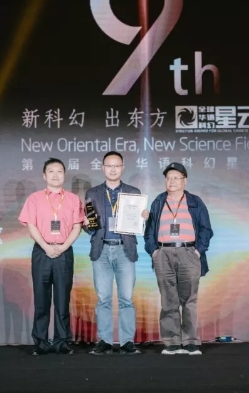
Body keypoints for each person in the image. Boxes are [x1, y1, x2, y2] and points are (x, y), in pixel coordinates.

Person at [144, 162, 213, 355]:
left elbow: (206, 229)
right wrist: (154, 252)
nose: (172, 181)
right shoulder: (158, 201)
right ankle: (172, 342)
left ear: (185, 181)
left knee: (189, 300)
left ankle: (190, 341)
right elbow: (149, 231)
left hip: (188, 252)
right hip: (163, 253)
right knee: (168, 300)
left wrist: (198, 251)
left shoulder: (195, 202)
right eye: (169, 178)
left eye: (176, 178)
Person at [83, 151, 148, 355]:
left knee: (126, 298)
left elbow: (140, 225)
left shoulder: (133, 192)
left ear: (122, 168)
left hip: (124, 249)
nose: (113, 169)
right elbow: (90, 226)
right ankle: (105, 340)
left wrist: (144, 218)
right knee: (103, 298)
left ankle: (127, 341)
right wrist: (86, 224)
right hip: (101, 249)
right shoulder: (92, 193)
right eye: (109, 166)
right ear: (103, 168)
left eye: (116, 166)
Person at [18, 158, 85, 355]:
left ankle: (61, 342)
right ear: (44, 175)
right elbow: (31, 226)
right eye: (51, 171)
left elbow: (77, 226)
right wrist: (46, 246)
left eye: (59, 171)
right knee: (41, 298)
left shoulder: (73, 199)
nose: (55, 175)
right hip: (42, 251)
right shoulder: (34, 199)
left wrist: (63, 247)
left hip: (64, 251)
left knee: (63, 300)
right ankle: (41, 343)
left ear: (64, 175)